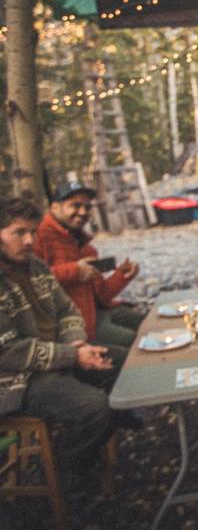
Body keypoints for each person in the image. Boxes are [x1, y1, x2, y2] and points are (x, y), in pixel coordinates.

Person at [0, 196, 117, 490]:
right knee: (96, 406)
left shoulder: (35, 266)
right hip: (14, 381)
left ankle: (107, 431)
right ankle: (65, 465)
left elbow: (67, 310)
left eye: (33, 232)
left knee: (124, 365)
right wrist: (71, 356)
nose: (29, 240)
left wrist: (76, 344)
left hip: (57, 356)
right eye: (19, 233)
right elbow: (8, 352)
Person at [33, 181, 145, 348]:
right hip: (71, 324)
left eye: (87, 207)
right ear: (55, 207)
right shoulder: (38, 236)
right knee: (134, 340)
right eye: (75, 206)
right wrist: (74, 271)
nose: (83, 212)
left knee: (149, 322)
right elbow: (30, 280)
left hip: (97, 312)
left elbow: (102, 295)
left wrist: (122, 276)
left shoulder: (85, 246)